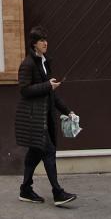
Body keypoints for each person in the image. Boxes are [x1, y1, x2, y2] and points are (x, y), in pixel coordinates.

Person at [14, 27, 77, 206]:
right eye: (42, 40)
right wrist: (47, 86)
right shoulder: (27, 64)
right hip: (34, 118)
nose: (46, 43)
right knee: (48, 151)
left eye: (46, 40)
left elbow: (51, 93)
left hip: (44, 115)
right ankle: (58, 193)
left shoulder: (44, 62)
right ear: (34, 43)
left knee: (35, 153)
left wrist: (67, 111)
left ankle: (25, 189)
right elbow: (24, 90)